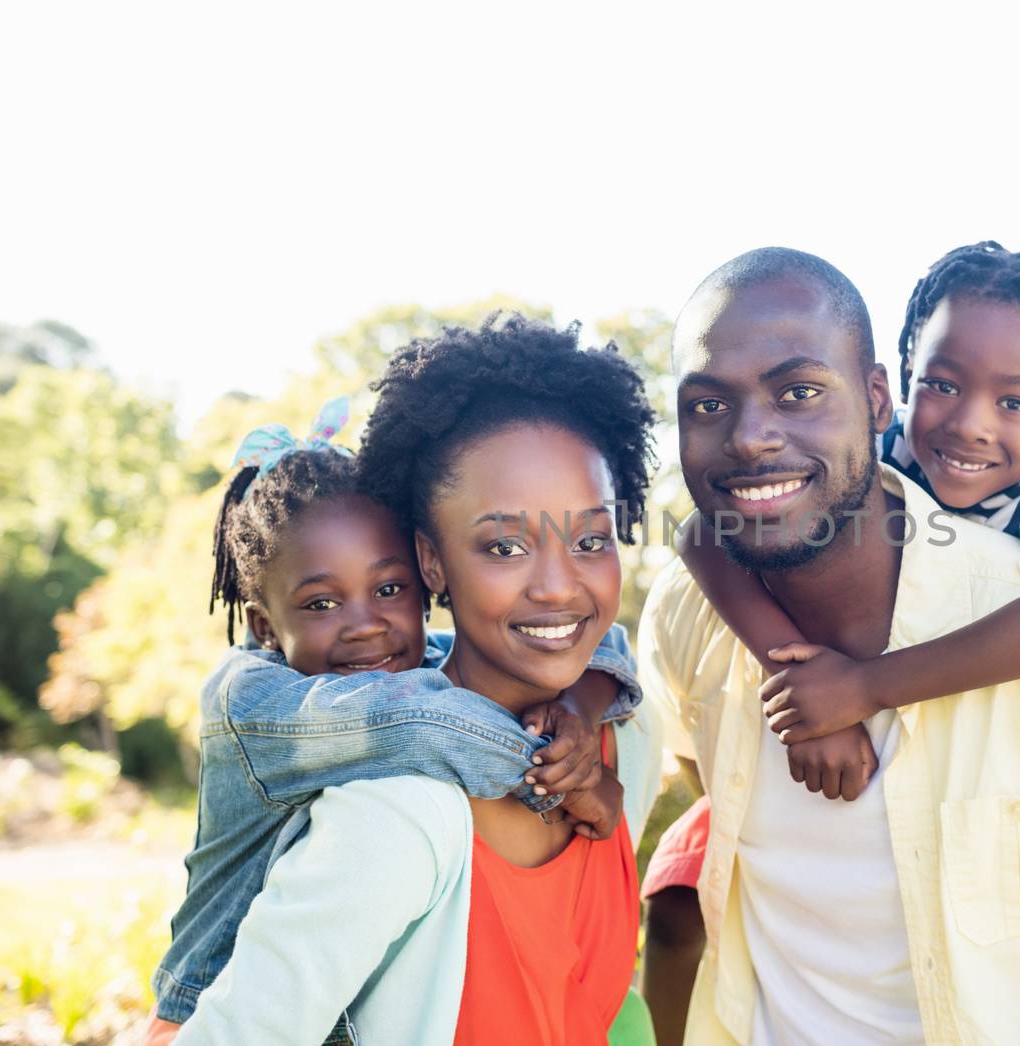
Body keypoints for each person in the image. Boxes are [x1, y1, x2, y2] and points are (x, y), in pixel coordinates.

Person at [639, 247, 1020, 1043]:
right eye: (708, 406)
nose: (751, 438)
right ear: (907, 392)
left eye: (801, 392)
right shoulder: (692, 610)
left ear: (872, 397)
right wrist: (801, 681)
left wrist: (864, 687)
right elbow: (693, 547)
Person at [176, 315, 662, 1045]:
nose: (560, 587)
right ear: (434, 562)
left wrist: (589, 715)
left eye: (591, 539)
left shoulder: (630, 734)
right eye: (505, 545)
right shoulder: (398, 811)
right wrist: (565, 770)